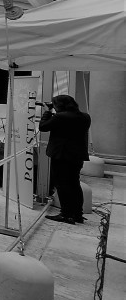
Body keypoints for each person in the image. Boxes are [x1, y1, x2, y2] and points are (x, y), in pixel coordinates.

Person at [40, 95, 91, 224]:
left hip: (61, 155)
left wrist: (47, 111)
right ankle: (77, 214)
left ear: (59, 106)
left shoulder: (60, 117)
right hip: (77, 156)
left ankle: (66, 214)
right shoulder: (85, 117)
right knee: (74, 184)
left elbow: (43, 127)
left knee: (62, 185)